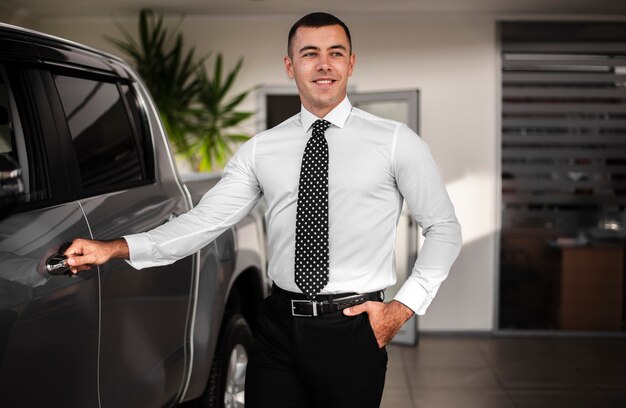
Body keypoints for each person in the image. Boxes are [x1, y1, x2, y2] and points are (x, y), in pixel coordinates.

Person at [64, 12, 462, 408]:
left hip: (352, 328)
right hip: (276, 326)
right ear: (290, 66)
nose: (324, 65)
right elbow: (205, 221)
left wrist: (402, 308)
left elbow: (444, 229)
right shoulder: (261, 149)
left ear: (350, 63)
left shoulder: (396, 142)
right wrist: (114, 248)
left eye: (335, 53)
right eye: (310, 54)